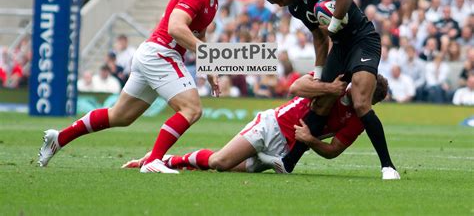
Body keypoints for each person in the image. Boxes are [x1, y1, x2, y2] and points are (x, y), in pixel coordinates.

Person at [38, 0, 241, 174]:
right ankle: (154, 160)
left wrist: (210, 67)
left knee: (120, 116)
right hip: (160, 55)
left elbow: (199, 34)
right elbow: (176, 28)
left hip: (152, 54)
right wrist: (209, 55)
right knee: (192, 109)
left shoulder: (211, 1)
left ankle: (59, 138)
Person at [259, 0, 399, 179]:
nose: (280, 5)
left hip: (363, 41)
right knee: (321, 102)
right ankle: (287, 163)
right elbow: (319, 37)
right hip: (341, 48)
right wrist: (318, 73)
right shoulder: (295, 7)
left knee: (361, 103)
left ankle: (388, 167)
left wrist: (333, 26)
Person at [122, 74, 391, 178]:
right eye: (362, 95)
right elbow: (295, 87)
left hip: (282, 151)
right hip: (272, 125)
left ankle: (167, 159)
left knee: (221, 165)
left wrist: (310, 140)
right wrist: (328, 87)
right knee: (220, 162)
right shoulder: (338, 82)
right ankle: (164, 159)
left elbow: (333, 151)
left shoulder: (360, 120)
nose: (362, 101)